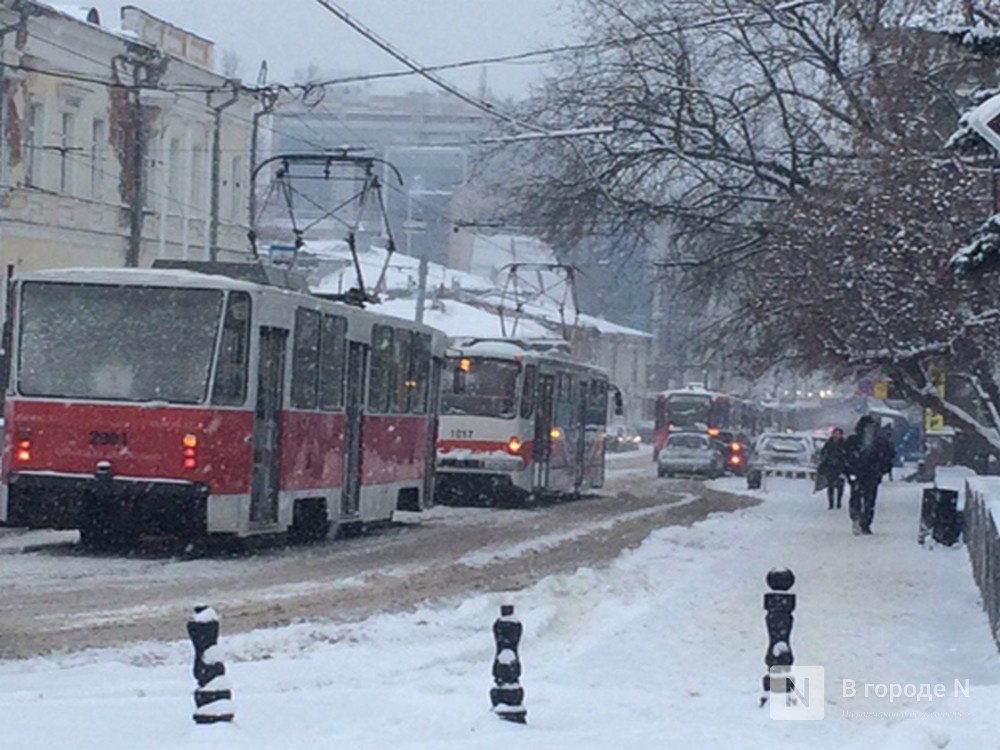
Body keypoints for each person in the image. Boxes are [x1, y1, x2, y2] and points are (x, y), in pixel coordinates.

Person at [844, 415, 892, 535]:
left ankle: (864, 522)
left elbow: (888, 457)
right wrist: (848, 470)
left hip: (870, 474)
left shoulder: (879, 442)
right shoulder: (853, 441)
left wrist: (882, 469)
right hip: (860, 473)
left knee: (867, 499)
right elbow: (844, 456)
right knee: (860, 497)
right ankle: (858, 519)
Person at [817, 427, 848, 510]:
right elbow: (823, 453)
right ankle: (831, 503)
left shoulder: (844, 444)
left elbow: (847, 454)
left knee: (840, 485)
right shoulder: (829, 443)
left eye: (839, 434)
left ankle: (838, 502)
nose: (837, 435)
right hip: (830, 467)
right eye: (835, 433)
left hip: (840, 468)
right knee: (830, 485)